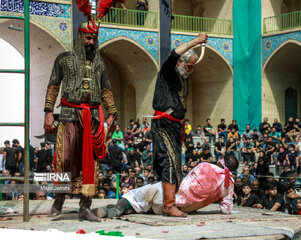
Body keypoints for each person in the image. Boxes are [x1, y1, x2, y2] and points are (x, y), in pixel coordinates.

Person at [43, 20, 117, 222]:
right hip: (68, 115)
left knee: (90, 164)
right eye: (87, 37)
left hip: (91, 117)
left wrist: (111, 113)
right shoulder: (63, 59)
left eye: (93, 38)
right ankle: (58, 199)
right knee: (65, 159)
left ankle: (85, 207)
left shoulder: (100, 63)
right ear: (79, 37)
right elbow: (53, 85)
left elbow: (106, 90)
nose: (91, 42)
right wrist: (49, 111)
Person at [151, 32, 207, 217]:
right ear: (180, 63)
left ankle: (170, 202)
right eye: (188, 66)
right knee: (168, 162)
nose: (190, 70)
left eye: (192, 67)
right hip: (163, 124)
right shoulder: (168, 71)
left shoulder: (184, 79)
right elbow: (173, 54)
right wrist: (196, 42)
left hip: (176, 125)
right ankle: (168, 205)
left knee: (176, 165)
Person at [93, 155, 238, 218]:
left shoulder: (205, 165)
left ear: (220, 162)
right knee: (149, 204)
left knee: (135, 195)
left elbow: (184, 179)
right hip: (177, 209)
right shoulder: (229, 184)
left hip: (167, 196)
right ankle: (131, 209)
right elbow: (226, 210)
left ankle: (120, 207)